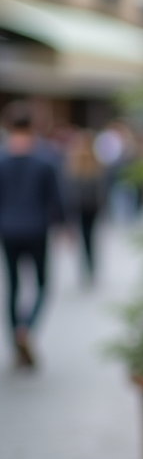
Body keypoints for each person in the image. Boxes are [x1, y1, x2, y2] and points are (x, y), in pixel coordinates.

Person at [0, 101, 65, 368]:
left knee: (13, 286)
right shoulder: (46, 158)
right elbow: (56, 198)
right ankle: (26, 328)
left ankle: (17, 340)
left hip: (8, 228)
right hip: (37, 228)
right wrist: (63, 226)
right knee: (41, 285)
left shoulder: (2, 159)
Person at [63, 128, 105, 284]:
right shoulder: (95, 162)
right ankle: (90, 267)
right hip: (91, 206)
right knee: (90, 237)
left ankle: (86, 268)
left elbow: (69, 188)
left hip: (80, 206)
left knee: (83, 237)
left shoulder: (74, 163)